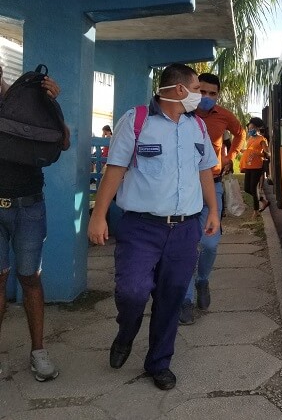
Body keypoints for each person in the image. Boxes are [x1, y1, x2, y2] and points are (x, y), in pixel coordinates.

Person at [87, 63, 219, 391]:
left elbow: (205, 170)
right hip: (141, 227)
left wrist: (213, 209)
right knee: (131, 291)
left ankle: (158, 363)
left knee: (171, 297)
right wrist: (98, 215)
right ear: (179, 90)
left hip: (185, 228)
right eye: (198, 91)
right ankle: (126, 332)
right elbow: (114, 169)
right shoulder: (136, 120)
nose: (201, 98)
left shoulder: (197, 128)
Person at [0, 65, 70, 381]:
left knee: (30, 279)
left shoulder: (29, 100)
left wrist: (53, 104)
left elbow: (63, 142)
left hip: (28, 208)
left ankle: (38, 352)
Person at [180, 72, 244, 325]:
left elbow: (240, 133)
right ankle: (184, 300)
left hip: (212, 185)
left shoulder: (224, 115)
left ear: (218, 95)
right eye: (202, 92)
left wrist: (231, 157)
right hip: (183, 188)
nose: (206, 97)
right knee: (184, 246)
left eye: (212, 93)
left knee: (209, 244)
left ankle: (202, 281)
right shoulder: (182, 113)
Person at [240, 117, 270, 216]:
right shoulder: (250, 139)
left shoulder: (262, 139)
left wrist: (258, 153)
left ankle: (256, 211)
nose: (250, 130)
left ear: (257, 128)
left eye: (252, 128)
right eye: (249, 128)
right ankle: (263, 201)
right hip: (248, 166)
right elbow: (250, 150)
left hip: (257, 167)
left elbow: (268, 154)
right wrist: (244, 151)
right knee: (247, 189)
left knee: (253, 187)